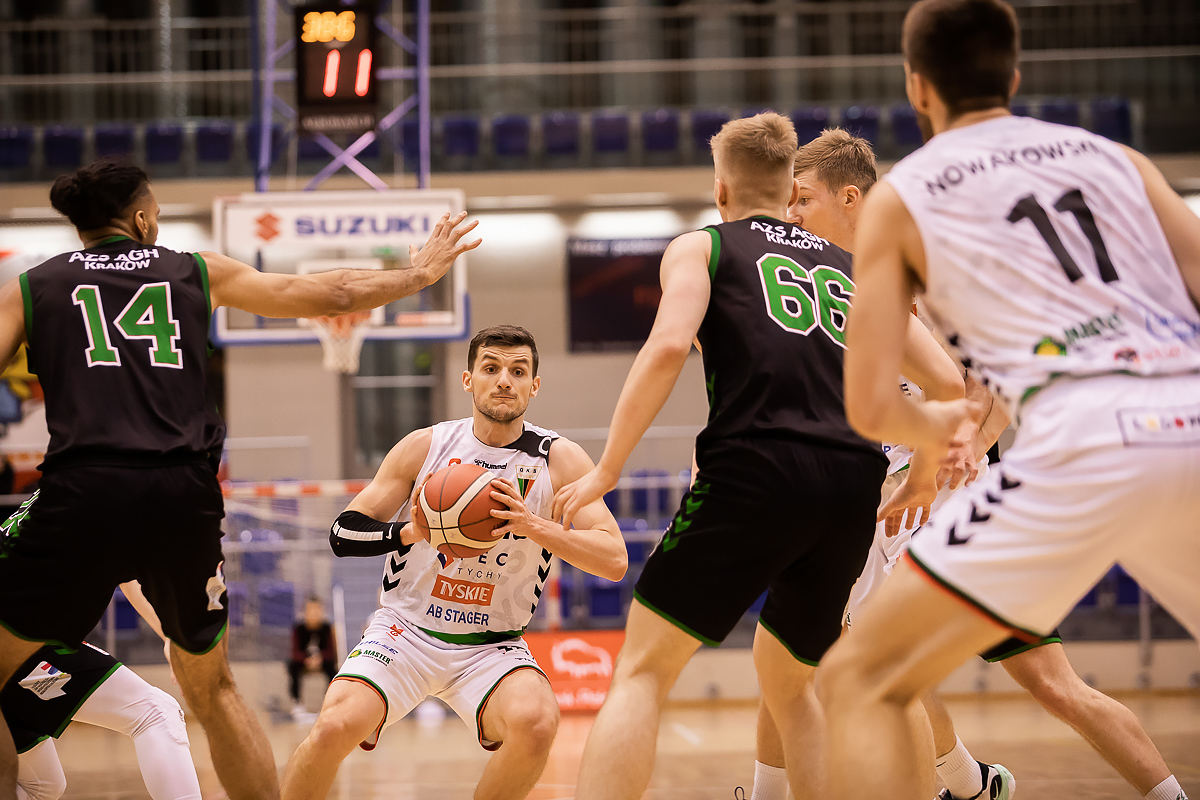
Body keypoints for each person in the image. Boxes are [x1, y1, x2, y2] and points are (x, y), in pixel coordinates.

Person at [0, 159, 480, 800]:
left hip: (82, 490)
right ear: (140, 219)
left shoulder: (32, 287)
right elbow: (335, 293)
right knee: (214, 690)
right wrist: (419, 274)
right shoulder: (194, 269)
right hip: (181, 493)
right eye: (157, 214)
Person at [820, 2, 1200, 800]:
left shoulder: (907, 194)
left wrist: (935, 443)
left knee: (858, 676)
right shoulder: (1118, 159)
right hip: (1189, 418)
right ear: (1015, 77)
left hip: (1083, 440)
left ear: (917, 88)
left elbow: (871, 405)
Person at [551, 112, 965, 800]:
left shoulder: (702, 246)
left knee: (643, 672)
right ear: (788, 190)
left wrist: (608, 467)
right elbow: (948, 383)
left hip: (756, 467)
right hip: (851, 487)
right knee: (791, 681)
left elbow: (666, 346)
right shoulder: (853, 269)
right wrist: (922, 477)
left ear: (721, 190)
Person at [280, 325, 626, 800]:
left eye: (517, 371)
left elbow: (614, 559)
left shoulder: (558, 460)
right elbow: (342, 533)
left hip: (492, 644)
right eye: (491, 368)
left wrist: (532, 525)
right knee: (333, 726)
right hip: (405, 632)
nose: (503, 380)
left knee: (538, 722)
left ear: (534, 385)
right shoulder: (427, 447)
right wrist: (408, 532)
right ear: (468, 380)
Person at [6, 581, 201, 800]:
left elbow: (128, 578)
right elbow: (128, 579)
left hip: (24, 644)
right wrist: (171, 637)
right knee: (155, 711)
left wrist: (170, 637)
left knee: (41, 786)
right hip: (21, 644)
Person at [288, 597, 337, 720]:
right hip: (304, 661)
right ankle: (297, 703)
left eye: (317, 610)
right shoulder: (298, 629)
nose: (314, 613)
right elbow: (295, 652)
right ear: (305, 612)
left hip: (323, 661)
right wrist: (306, 660)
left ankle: (329, 702)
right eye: (311, 610)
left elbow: (331, 652)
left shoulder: (327, 628)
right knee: (292, 666)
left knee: (332, 668)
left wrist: (320, 658)